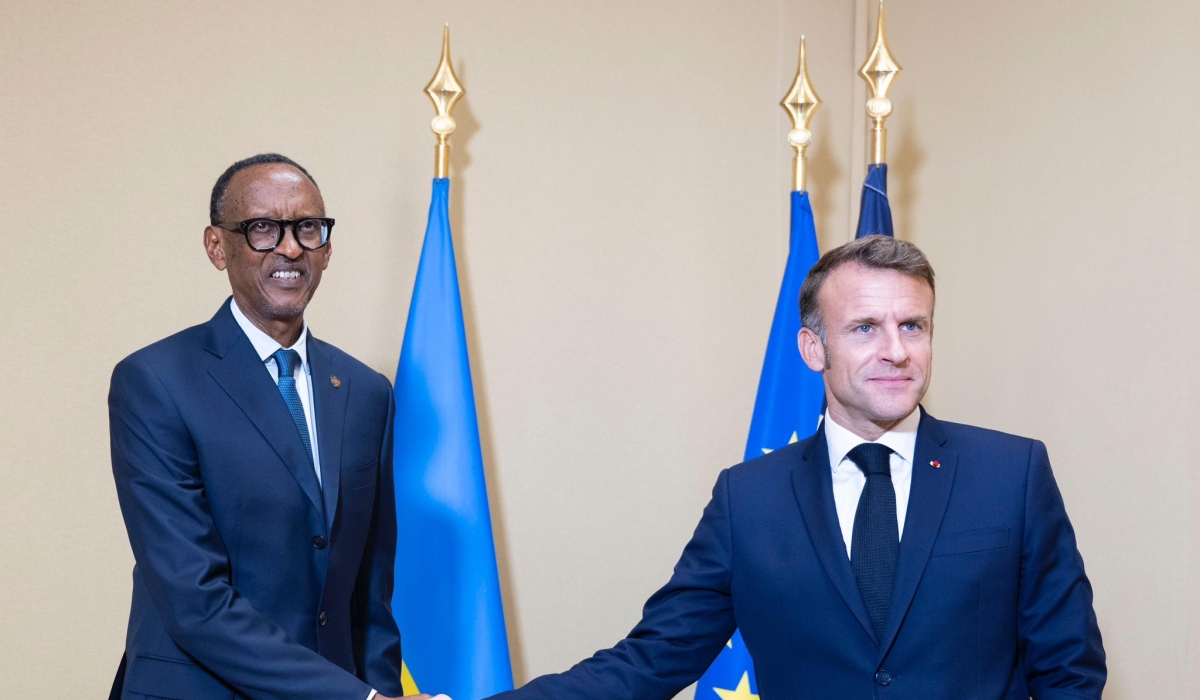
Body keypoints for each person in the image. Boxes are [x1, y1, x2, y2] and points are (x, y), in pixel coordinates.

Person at [488, 236, 1106, 699]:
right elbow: (650, 660)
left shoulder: (1012, 474)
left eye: (912, 326)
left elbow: (1069, 671)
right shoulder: (748, 500)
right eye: (865, 327)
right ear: (815, 349)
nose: (896, 350)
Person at [108, 154, 429, 700]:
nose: (289, 247)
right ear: (217, 246)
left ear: (327, 248)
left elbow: (370, 595)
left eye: (307, 228)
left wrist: (383, 694)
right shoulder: (156, 381)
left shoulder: (366, 392)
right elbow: (195, 598)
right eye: (262, 229)